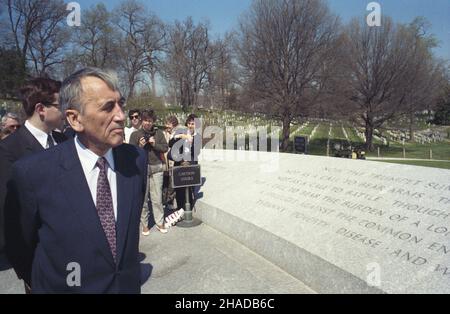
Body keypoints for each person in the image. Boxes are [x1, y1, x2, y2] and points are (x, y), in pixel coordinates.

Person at [4, 67, 147, 293]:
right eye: (108, 107)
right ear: (74, 119)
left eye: (121, 104)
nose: (120, 116)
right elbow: (20, 245)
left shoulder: (136, 159)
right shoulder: (33, 172)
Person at [0, 78, 66, 269]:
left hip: (71, 249)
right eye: (59, 105)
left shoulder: (63, 140)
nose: (65, 110)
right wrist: (26, 269)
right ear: (41, 109)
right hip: (39, 258)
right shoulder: (8, 150)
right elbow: (10, 216)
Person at [129, 110, 168, 235]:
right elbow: (131, 153)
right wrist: (139, 147)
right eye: (145, 120)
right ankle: (145, 224)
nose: (147, 123)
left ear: (153, 122)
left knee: (157, 198)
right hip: (142, 168)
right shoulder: (135, 135)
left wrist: (154, 144)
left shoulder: (159, 133)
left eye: (150, 121)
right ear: (142, 120)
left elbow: (165, 148)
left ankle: (160, 222)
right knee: (144, 198)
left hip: (157, 167)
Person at [168, 114, 201, 211]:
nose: (191, 125)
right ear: (186, 124)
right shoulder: (181, 132)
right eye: (189, 123)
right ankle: (180, 209)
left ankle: (188, 210)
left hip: (191, 165)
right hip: (179, 163)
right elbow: (170, 144)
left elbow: (197, 152)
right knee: (179, 189)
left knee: (190, 187)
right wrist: (181, 137)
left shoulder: (197, 136)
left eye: (193, 124)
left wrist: (191, 143)